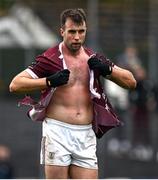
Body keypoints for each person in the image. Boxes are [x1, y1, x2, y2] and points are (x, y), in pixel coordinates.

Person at [9, 8, 136, 179]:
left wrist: (107, 69)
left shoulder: (94, 58)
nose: (77, 37)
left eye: (81, 31)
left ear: (85, 30)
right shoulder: (50, 58)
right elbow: (15, 84)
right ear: (62, 31)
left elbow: (130, 82)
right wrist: (48, 81)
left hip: (85, 134)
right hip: (57, 132)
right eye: (72, 32)